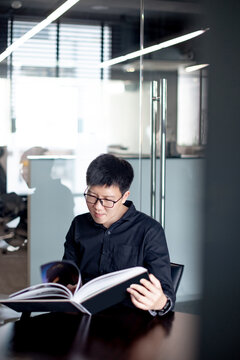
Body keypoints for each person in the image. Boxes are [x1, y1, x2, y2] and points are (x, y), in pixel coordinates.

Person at [63, 153, 175, 316]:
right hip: (85, 317)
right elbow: (67, 275)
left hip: (131, 325)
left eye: (108, 200)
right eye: (91, 196)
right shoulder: (79, 225)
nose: (97, 207)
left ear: (124, 196)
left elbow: (166, 297)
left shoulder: (149, 230)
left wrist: (160, 303)